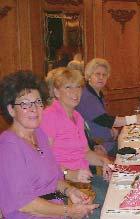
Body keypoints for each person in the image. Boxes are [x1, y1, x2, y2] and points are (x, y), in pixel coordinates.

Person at [0, 71, 98, 218]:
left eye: (38, 102)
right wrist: (69, 211)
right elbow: (25, 204)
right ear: (11, 110)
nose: (34, 109)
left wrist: (70, 191)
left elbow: (54, 180)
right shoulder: (9, 146)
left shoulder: (39, 134)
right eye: (25, 104)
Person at [40, 67, 112, 218]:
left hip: (84, 181)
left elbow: (85, 153)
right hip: (62, 188)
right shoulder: (49, 116)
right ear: (56, 91)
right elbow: (42, 160)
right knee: (107, 212)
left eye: (78, 87)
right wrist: (69, 173)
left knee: (121, 193)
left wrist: (103, 161)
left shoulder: (77, 116)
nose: (75, 92)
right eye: (68, 87)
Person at [76, 58, 140, 155]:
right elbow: (106, 120)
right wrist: (135, 119)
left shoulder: (96, 93)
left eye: (104, 75)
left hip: (106, 140)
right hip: (98, 145)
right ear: (89, 76)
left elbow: (98, 119)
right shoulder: (87, 97)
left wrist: (110, 129)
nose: (101, 78)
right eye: (97, 74)